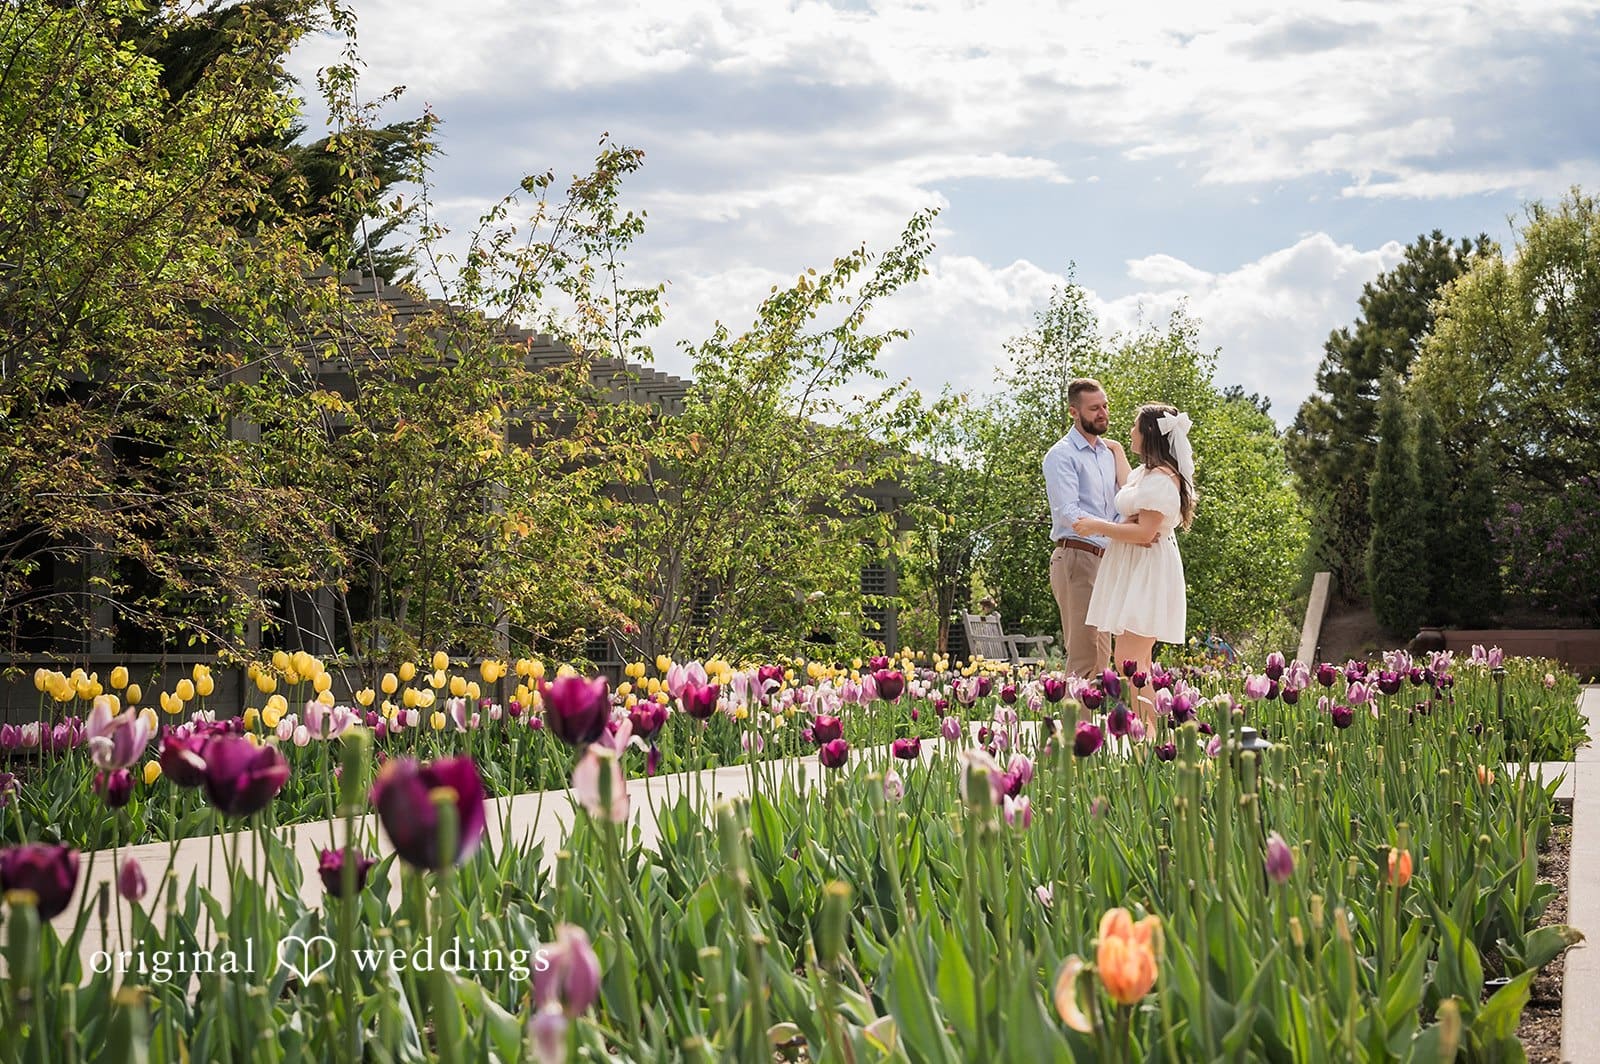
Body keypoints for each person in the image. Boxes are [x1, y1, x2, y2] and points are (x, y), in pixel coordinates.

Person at [1073, 403, 1195, 718]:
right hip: (1135, 568)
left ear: (1149, 433)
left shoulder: (1163, 481)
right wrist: (1114, 450)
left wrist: (1095, 525)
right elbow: (1131, 490)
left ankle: (1150, 735)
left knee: (1130, 661)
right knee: (1134, 662)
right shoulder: (1148, 473)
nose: (1129, 431)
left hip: (1148, 571)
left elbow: (1144, 533)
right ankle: (1149, 737)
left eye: (1134, 426)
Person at [1042, 378, 1136, 680]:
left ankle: (1093, 727)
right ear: (1074, 412)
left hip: (1107, 559)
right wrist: (1117, 530)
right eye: (1094, 408)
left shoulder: (1108, 454)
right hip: (1077, 558)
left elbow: (1123, 504)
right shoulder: (1062, 455)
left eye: (1105, 406)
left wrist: (1128, 530)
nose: (1103, 413)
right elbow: (1070, 513)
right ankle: (1074, 727)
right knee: (1083, 655)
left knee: (1101, 660)